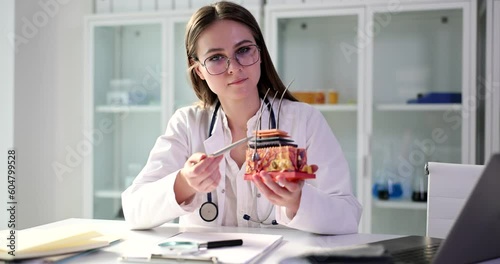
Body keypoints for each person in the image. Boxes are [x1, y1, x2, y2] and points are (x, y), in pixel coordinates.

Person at [121, 1, 362, 235]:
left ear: (260, 53)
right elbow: (133, 210)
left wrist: (297, 200)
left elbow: (348, 216)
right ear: (199, 71)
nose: (234, 67)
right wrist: (185, 182)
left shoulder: (304, 120)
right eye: (216, 57)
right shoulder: (187, 124)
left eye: (243, 50)